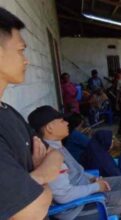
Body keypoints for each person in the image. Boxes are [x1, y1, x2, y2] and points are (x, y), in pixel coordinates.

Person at [28, 105, 121, 220]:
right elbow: (64, 196)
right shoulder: (49, 155)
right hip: (77, 208)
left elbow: (77, 172)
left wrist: (92, 179)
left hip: (84, 189)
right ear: (49, 128)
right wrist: (96, 187)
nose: (67, 123)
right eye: (61, 121)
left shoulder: (58, 146)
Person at [0, 8, 64, 219]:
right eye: (20, 50)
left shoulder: (7, 111)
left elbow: (54, 155)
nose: (26, 60)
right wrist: (41, 175)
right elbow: (32, 209)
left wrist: (32, 180)